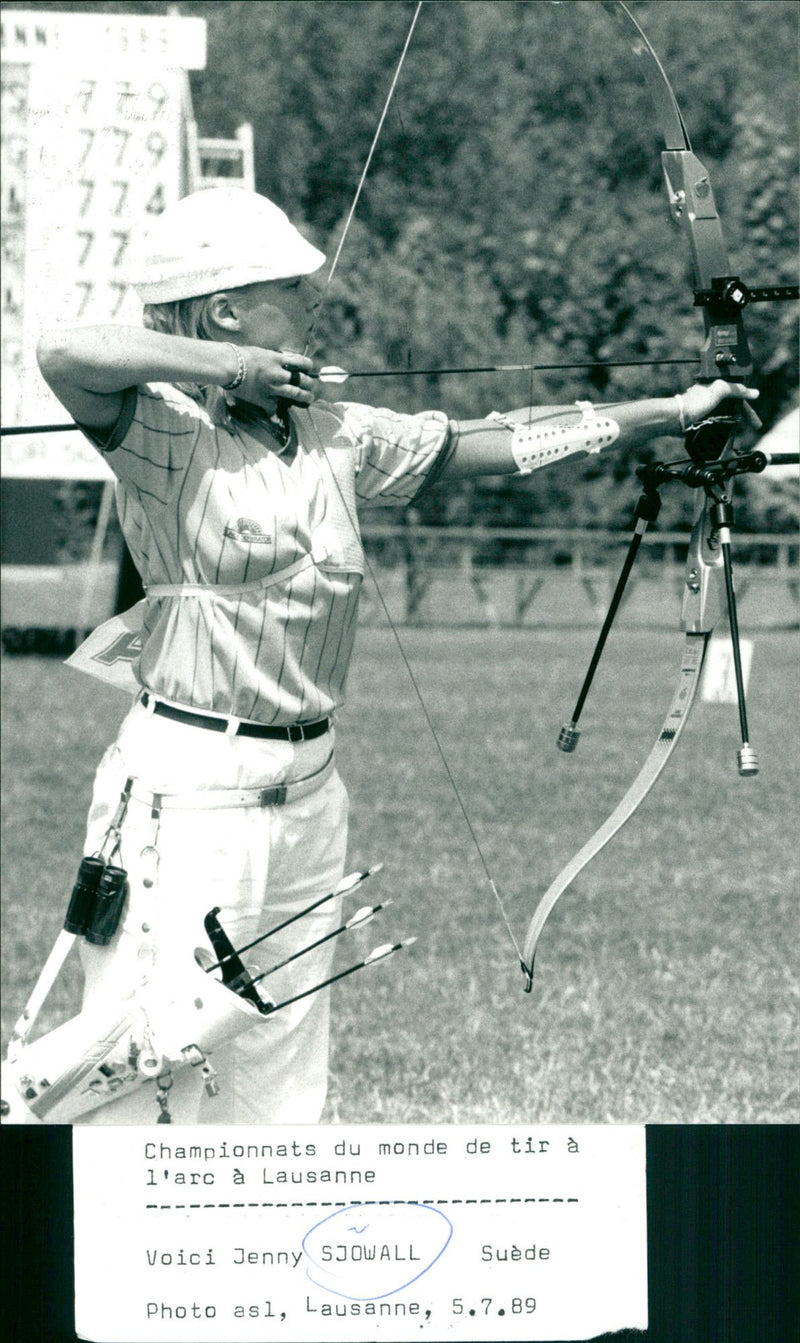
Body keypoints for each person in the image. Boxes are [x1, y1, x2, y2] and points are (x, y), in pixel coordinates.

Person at [35, 187, 758, 1125]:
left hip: (307, 783)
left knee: (279, 1075)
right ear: (224, 311)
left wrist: (665, 410)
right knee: (149, 1063)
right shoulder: (164, 430)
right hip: (188, 785)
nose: (313, 306)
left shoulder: (335, 433)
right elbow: (64, 351)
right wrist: (228, 367)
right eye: (293, 293)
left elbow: (486, 442)